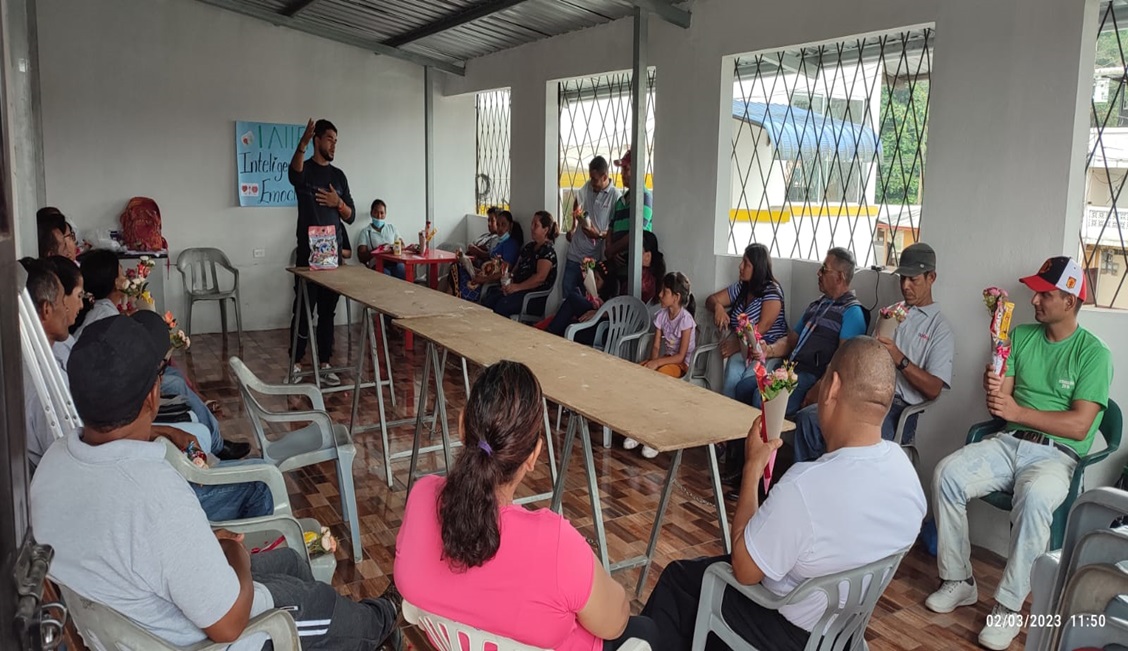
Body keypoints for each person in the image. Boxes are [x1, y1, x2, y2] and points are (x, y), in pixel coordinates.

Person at [30, 315, 401, 651]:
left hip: (146, 618)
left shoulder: (54, 465)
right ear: (153, 396)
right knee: (319, 605)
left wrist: (205, 540)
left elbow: (138, 547)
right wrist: (233, 552)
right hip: (225, 636)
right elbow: (228, 624)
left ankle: (349, 636)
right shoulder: (153, 495)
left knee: (291, 562)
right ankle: (383, 619)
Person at [641, 337, 926, 651]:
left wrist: (752, 470)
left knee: (680, 582)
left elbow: (744, 570)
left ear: (832, 387)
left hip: (786, 634)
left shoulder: (805, 488)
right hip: (843, 635)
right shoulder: (907, 476)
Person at [396, 361, 662, 651]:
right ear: (534, 455)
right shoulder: (556, 545)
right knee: (647, 628)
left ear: (462, 426)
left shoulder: (423, 497)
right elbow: (615, 623)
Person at [927, 256, 1112, 651]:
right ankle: (959, 579)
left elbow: (1080, 426)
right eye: (1035, 292)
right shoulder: (1022, 336)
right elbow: (1001, 403)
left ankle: (1009, 607)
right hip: (1008, 442)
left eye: (1044, 294)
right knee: (947, 474)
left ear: (1070, 301)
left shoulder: (1094, 354)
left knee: (1036, 497)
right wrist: (994, 385)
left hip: (1056, 456)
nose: (1034, 300)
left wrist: (1017, 412)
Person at [73, 248, 249, 461]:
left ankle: (215, 438)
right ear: (114, 282)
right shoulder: (105, 316)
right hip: (117, 386)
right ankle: (217, 444)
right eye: (121, 272)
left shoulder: (103, 310)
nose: (126, 276)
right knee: (176, 383)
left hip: (115, 382)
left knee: (174, 375)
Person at [792, 243, 954, 461]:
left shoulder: (939, 329)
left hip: (896, 408)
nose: (905, 286)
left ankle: (837, 478)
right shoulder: (890, 313)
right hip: (863, 394)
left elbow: (934, 389)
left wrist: (899, 359)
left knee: (847, 437)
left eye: (913, 280)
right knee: (808, 419)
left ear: (931, 277)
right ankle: (812, 478)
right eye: (902, 278)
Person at [742, 247, 866, 415]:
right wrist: (768, 350)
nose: (818, 273)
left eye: (824, 269)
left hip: (812, 376)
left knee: (760, 398)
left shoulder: (852, 312)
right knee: (743, 388)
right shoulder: (817, 305)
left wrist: (820, 387)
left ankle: (762, 432)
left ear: (839, 277)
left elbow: (844, 362)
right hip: (790, 369)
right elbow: (791, 340)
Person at [288, 118, 356, 387]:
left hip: (333, 259)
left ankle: (325, 364)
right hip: (308, 259)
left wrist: (338, 203)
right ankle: (295, 363)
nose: (334, 145)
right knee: (303, 312)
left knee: (328, 313)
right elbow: (293, 174)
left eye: (336, 141)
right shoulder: (305, 171)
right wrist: (302, 143)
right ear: (317, 140)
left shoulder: (339, 177)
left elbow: (351, 215)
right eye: (329, 139)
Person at [626, 272, 697, 459]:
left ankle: (654, 438)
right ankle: (636, 430)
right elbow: (656, 345)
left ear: (676, 297)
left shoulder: (686, 320)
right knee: (637, 373)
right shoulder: (661, 315)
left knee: (659, 381)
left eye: (665, 292)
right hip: (666, 359)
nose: (659, 295)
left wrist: (657, 363)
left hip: (681, 365)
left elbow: (681, 356)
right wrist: (651, 364)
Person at [707, 244, 790, 401]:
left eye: (746, 263)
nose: (740, 266)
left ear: (758, 268)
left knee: (745, 386)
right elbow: (711, 299)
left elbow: (762, 327)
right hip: (744, 352)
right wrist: (718, 307)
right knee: (730, 385)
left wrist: (737, 345)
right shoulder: (742, 288)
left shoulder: (772, 291)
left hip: (764, 351)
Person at [485, 211, 558, 318]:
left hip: (531, 297)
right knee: (490, 297)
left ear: (545, 230)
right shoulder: (529, 247)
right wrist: (508, 280)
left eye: (536, 225)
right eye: (532, 224)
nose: (531, 228)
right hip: (517, 290)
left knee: (502, 306)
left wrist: (517, 287)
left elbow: (540, 278)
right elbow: (515, 269)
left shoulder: (547, 252)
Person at [564, 156, 620, 296]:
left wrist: (598, 235)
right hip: (574, 253)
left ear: (604, 176)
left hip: (592, 258)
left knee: (587, 296)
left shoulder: (615, 196)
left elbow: (614, 229)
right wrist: (574, 225)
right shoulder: (588, 186)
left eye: (595, 179)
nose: (592, 183)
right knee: (567, 292)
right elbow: (577, 200)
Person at [604, 148, 653, 288]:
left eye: (626, 169)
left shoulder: (645, 197)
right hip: (617, 266)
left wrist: (612, 250)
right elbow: (610, 228)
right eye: (622, 170)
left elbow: (637, 233)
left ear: (637, 171)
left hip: (634, 268)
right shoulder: (621, 201)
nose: (622, 174)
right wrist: (611, 251)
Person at [452, 209, 522, 302]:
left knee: (455, 276)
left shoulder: (511, 245)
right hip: (483, 275)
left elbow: (503, 272)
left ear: (510, 225)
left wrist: (483, 279)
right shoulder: (500, 242)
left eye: (503, 225)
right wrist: (473, 268)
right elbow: (490, 265)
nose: (500, 228)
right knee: (456, 268)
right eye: (498, 225)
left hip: (489, 283)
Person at [356, 199, 406, 279]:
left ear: (385, 214)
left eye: (382, 213)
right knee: (385, 276)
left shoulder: (392, 228)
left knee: (402, 270)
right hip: (377, 264)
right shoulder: (365, 232)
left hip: (395, 262)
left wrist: (390, 248)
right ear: (371, 213)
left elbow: (403, 246)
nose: (379, 216)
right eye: (376, 212)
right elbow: (361, 257)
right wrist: (379, 250)